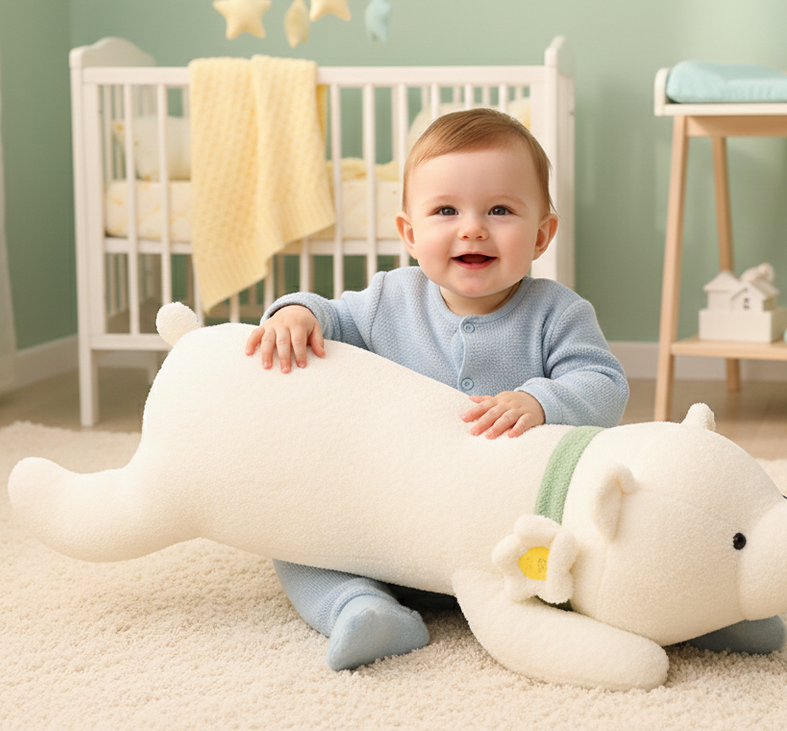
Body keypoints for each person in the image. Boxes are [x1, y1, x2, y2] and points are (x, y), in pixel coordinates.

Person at [243, 108, 629, 670]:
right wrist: (296, 313)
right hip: (391, 527)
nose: (472, 228)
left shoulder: (557, 312)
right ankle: (360, 610)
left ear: (542, 234)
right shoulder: (389, 299)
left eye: (500, 210)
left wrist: (540, 400)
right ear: (410, 233)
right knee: (295, 540)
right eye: (446, 211)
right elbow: (332, 316)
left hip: (509, 533)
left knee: (608, 545)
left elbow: (603, 384)